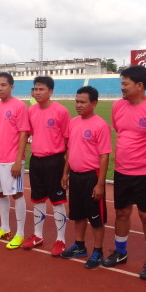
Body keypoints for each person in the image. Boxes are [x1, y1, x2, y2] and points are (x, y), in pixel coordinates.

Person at [105, 65, 146, 280]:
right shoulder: (117, 106)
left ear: (139, 85)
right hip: (122, 170)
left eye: (125, 84)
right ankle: (120, 252)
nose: (122, 87)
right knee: (121, 212)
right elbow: (121, 131)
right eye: (122, 83)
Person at [60, 86, 111, 268]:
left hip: (91, 177)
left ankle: (98, 251)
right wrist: (65, 173)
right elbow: (70, 149)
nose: (78, 105)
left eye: (83, 102)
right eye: (77, 101)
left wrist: (100, 184)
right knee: (78, 214)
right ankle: (79, 245)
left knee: (95, 218)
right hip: (75, 176)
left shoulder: (101, 125)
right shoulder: (73, 122)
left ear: (94, 103)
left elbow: (104, 156)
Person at [0, 72, 30, 249]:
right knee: (0, 193)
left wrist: (18, 160)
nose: (0, 88)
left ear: (11, 86)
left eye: (3, 85)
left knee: (17, 194)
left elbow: (24, 134)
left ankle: (20, 234)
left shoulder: (19, 106)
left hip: (12, 159)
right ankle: (4, 228)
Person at [23, 76, 70, 256]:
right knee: (38, 199)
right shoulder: (31, 110)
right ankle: (38, 235)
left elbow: (67, 140)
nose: (37, 92)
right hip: (36, 160)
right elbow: (30, 133)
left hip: (55, 161)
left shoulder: (61, 111)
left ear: (50, 91)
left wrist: (63, 167)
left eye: (41, 89)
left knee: (57, 201)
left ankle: (61, 240)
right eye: (35, 89)